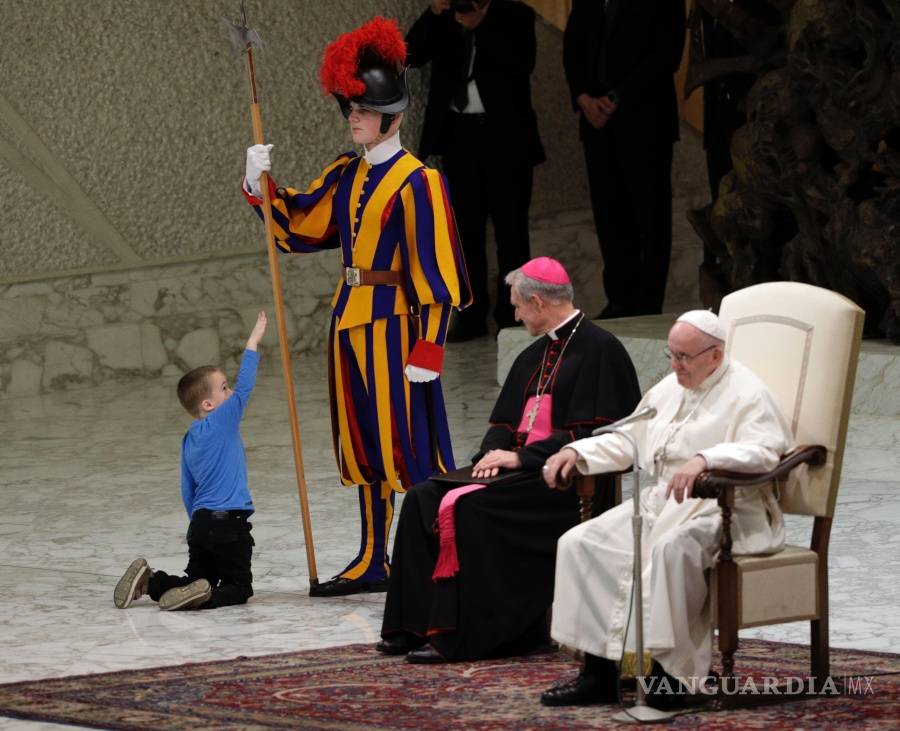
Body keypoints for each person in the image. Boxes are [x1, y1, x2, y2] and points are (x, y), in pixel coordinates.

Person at [242, 18, 472, 597]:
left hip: (397, 326)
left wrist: (430, 346)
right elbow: (299, 227)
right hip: (349, 321)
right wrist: (258, 185)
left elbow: (438, 272)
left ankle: (436, 553)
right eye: (351, 107)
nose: (353, 117)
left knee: (410, 443)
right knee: (363, 442)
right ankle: (374, 558)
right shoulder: (347, 173)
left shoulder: (419, 182)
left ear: (392, 117)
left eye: (365, 109)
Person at [377, 257, 641, 662]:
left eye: (518, 306)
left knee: (469, 509)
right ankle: (413, 626)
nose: (515, 315)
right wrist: (491, 456)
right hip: (516, 475)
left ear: (538, 302)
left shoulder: (602, 350)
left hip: (562, 483)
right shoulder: (532, 354)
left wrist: (522, 459)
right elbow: (502, 423)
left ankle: (474, 635)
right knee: (422, 498)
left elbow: (604, 434)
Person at [540, 310, 793, 708]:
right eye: (671, 355)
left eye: (684, 357)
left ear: (715, 355)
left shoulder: (748, 393)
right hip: (663, 502)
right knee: (580, 542)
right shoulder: (670, 388)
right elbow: (629, 437)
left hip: (725, 507)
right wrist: (578, 451)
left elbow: (765, 451)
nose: (675, 366)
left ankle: (673, 679)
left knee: (671, 550)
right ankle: (598, 673)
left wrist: (706, 459)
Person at [406, 0, 544, 340]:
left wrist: (482, 23)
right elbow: (410, 54)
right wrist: (434, 13)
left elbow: (520, 63)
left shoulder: (515, 15)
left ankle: (513, 314)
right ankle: (471, 315)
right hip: (459, 138)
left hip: (505, 139)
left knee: (511, 231)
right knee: (465, 232)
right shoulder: (446, 17)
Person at [113, 313, 267, 611]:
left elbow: (187, 487)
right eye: (224, 388)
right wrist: (252, 342)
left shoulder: (189, 439)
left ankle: (152, 582)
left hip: (200, 523)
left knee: (195, 578)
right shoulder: (222, 420)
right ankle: (204, 598)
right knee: (239, 588)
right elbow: (246, 387)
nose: (231, 392)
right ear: (208, 405)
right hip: (229, 524)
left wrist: (196, 525)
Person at [562, 0, 686, 318]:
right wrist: (583, 97)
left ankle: (647, 304)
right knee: (609, 216)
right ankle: (619, 299)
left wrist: (616, 98)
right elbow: (573, 47)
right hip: (597, 125)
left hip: (646, 122)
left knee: (650, 218)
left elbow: (666, 54)